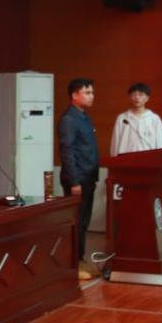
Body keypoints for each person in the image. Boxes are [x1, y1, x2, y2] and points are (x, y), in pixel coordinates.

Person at [58, 77, 99, 281]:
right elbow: (67, 152)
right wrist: (74, 181)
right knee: (76, 222)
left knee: (83, 222)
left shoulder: (84, 117)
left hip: (88, 177)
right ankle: (73, 263)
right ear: (75, 95)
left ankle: (80, 258)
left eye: (92, 92)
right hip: (78, 179)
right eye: (87, 93)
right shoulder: (69, 119)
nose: (92, 96)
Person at [109, 82, 162, 157]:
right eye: (134, 94)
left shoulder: (154, 119)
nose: (137, 97)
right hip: (126, 160)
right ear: (129, 97)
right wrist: (115, 159)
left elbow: (161, 144)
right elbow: (115, 143)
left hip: (148, 160)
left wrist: (158, 158)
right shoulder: (122, 118)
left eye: (141, 94)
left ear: (147, 98)